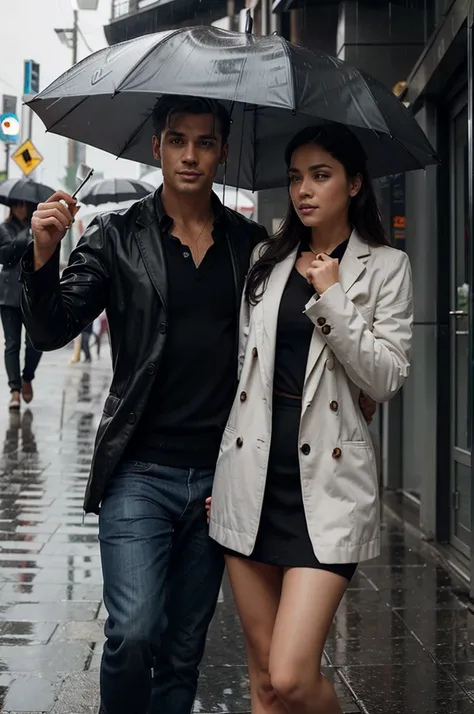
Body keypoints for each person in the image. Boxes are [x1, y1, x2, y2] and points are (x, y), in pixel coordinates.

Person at [21, 98, 375, 714]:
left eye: (205, 142)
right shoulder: (117, 236)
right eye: (177, 140)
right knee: (132, 632)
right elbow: (52, 330)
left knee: (184, 649)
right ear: (157, 145)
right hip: (139, 471)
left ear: (222, 152)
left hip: (223, 476)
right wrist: (44, 259)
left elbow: (289, 346)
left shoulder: (253, 248)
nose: (190, 155)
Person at [208, 124, 412, 714]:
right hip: (250, 477)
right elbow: (240, 375)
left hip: (327, 483)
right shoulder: (266, 258)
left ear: (353, 183)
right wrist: (218, 475)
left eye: (321, 176)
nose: (304, 190)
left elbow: (386, 378)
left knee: (294, 677)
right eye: (296, 177)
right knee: (265, 684)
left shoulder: (386, 266)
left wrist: (331, 297)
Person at [0, 201, 42, 410]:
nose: (21, 209)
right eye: (16, 205)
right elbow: (5, 256)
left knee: (36, 342)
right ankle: (15, 391)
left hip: (33, 293)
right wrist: (27, 233)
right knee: (12, 344)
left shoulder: (39, 225)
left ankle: (27, 377)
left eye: (24, 205)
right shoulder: (4, 228)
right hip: (8, 296)